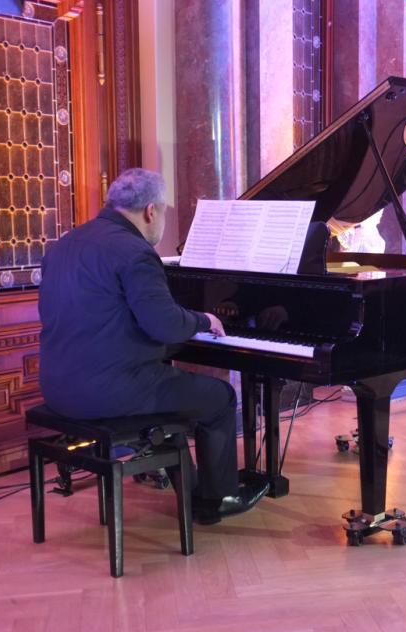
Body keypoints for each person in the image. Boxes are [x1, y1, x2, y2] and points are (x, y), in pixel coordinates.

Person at [38, 168, 268, 524]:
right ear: (150, 210)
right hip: (108, 391)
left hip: (57, 387)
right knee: (220, 398)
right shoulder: (135, 252)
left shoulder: (62, 246)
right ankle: (218, 499)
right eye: (164, 211)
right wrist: (204, 320)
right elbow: (165, 325)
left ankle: (192, 492)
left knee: (170, 395)